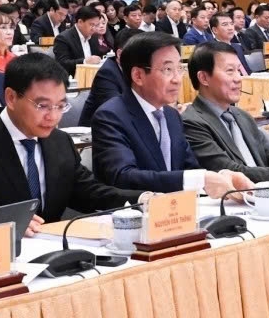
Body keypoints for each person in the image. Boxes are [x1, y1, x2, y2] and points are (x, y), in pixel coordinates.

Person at [0, 54, 148, 236]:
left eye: (61, 106)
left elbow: (87, 191)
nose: (53, 117)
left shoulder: (59, 141)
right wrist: (1, 220)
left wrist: (139, 199)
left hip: (50, 253)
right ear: (11, 98)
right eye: (42, 106)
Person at [89, 31, 251, 196]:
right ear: (138, 75)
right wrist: (200, 178)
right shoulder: (111, 116)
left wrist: (221, 177)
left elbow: (189, 169)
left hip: (176, 212)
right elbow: (123, 176)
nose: (177, 79)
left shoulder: (172, 115)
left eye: (179, 68)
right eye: (167, 69)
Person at [182, 43, 269, 182]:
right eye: (230, 71)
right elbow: (229, 171)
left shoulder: (241, 115)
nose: (238, 78)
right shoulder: (192, 122)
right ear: (204, 78)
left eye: (239, 70)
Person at [79, 26, 142, 126]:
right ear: (120, 54)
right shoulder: (107, 74)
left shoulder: (138, 72)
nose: (146, 59)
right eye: (140, 54)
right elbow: (118, 110)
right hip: (100, 133)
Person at [52, 5, 106, 76]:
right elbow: (62, 64)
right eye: (92, 25)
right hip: (73, 79)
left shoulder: (93, 37)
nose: (94, 28)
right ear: (80, 22)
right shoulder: (63, 38)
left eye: (96, 25)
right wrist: (85, 61)